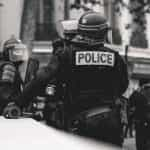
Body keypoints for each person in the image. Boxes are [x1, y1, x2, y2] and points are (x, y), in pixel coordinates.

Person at [7, 11, 128, 145]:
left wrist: (19, 103)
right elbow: (123, 85)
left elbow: (42, 79)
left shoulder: (66, 55)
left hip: (79, 121)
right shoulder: (115, 57)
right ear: (102, 33)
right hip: (109, 121)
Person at [0, 36, 29, 118]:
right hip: (5, 110)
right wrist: (15, 103)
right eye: (15, 52)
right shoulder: (9, 66)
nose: (18, 54)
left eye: (20, 52)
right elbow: (5, 91)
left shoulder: (4, 64)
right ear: (7, 52)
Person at [129, 79, 150, 150]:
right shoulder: (138, 94)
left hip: (140, 121)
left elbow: (130, 105)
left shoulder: (137, 93)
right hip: (145, 121)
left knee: (140, 142)